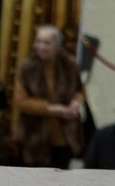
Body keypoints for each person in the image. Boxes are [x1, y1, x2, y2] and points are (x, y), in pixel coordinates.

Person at [13, 25, 85, 168]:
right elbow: (21, 101)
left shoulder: (69, 64)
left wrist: (76, 103)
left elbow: (79, 90)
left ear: (57, 45)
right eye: (38, 42)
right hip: (35, 137)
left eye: (46, 43)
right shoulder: (27, 67)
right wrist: (51, 109)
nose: (41, 47)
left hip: (65, 136)